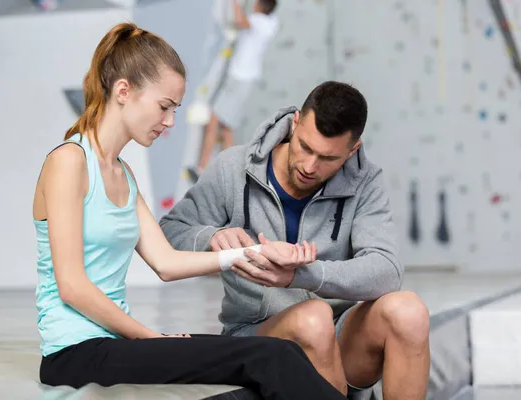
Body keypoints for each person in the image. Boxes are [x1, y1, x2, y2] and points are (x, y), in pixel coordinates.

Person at [31, 22, 347, 400]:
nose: (169, 122)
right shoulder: (69, 162)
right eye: (164, 107)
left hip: (116, 344)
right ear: (123, 91)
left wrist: (251, 253)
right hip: (74, 354)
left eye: (175, 109)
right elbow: (72, 286)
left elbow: (166, 262)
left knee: (274, 367)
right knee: (271, 357)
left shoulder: (123, 175)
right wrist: (147, 337)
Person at [160, 81, 431, 399]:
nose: (309, 166)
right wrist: (212, 236)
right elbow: (169, 231)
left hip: (338, 337)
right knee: (312, 321)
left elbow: (387, 271)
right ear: (296, 122)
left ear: (352, 150)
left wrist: (303, 275)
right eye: (305, 146)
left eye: (328, 158)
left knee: (408, 312)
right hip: (257, 337)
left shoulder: (365, 182)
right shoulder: (233, 168)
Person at [187, 0, 279, 183]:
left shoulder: (259, 21)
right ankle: (230, 174)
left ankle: (202, 167)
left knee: (214, 120)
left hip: (240, 78)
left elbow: (239, 20)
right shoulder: (272, 23)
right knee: (227, 126)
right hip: (244, 79)